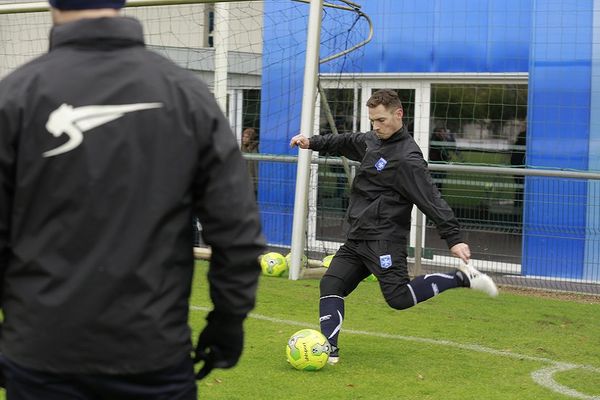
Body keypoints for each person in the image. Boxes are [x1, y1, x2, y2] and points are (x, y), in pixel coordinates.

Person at [0, 1, 265, 399]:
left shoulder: (15, 96)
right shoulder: (185, 94)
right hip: (151, 356)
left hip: (42, 357)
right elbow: (238, 233)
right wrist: (228, 321)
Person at [290, 89, 497, 365]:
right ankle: (329, 350)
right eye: (372, 121)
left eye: (381, 120)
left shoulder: (408, 159)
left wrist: (454, 238)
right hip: (357, 238)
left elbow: (431, 199)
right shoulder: (372, 140)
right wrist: (311, 141)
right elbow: (343, 141)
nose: (376, 126)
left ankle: (462, 278)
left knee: (399, 299)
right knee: (330, 283)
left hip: (385, 240)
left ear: (398, 114)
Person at [429, 126, 458, 191]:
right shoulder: (435, 141)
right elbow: (440, 151)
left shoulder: (441, 141)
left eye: (444, 132)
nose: (444, 134)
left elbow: (443, 151)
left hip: (440, 165)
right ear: (437, 133)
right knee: (436, 184)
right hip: (436, 166)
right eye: (442, 132)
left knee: (439, 184)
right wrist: (447, 156)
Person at [241, 127, 259, 194]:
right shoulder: (242, 148)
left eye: (247, 137)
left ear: (251, 138)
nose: (244, 139)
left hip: (254, 180)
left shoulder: (256, 148)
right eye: (243, 136)